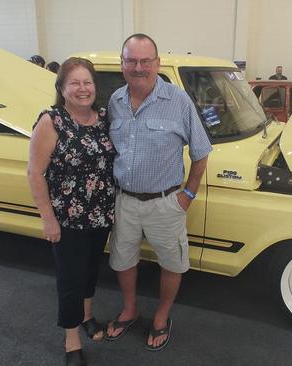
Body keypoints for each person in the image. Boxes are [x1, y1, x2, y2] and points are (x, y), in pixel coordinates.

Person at [105, 33, 212, 351]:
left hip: (166, 203)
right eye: (131, 61)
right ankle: (130, 309)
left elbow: (201, 151)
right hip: (124, 200)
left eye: (144, 61)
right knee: (123, 260)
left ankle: (162, 316)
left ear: (157, 63)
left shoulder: (177, 100)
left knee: (172, 264)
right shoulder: (115, 101)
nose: (138, 67)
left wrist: (187, 196)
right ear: (122, 64)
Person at [27, 57, 115, 366]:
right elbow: (35, 173)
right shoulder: (52, 121)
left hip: (102, 213)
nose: (82, 88)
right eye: (74, 83)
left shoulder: (104, 118)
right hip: (67, 218)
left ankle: (88, 317)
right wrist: (47, 218)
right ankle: (71, 340)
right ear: (62, 88)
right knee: (70, 278)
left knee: (91, 270)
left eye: (87, 82)